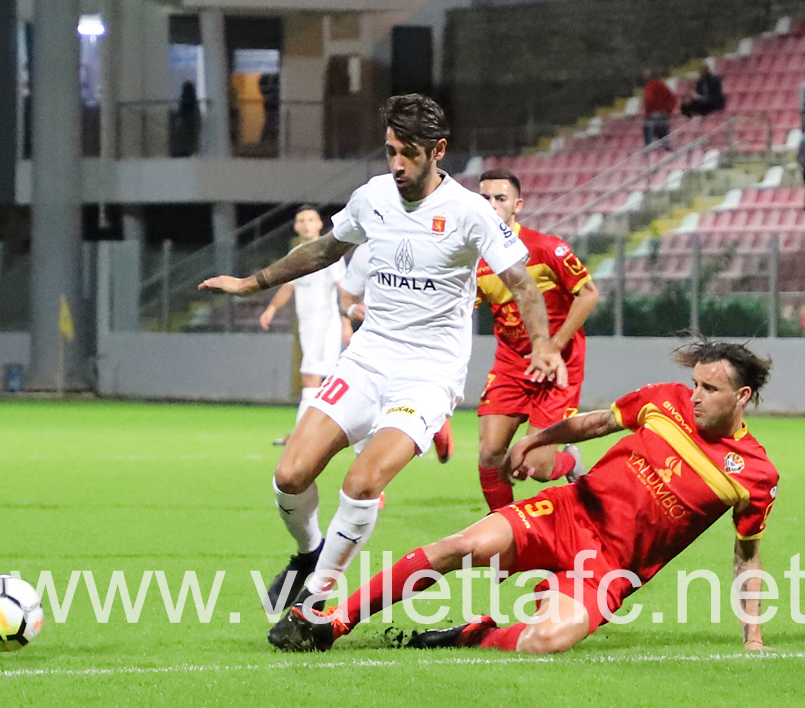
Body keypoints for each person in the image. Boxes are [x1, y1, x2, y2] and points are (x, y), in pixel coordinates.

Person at [199, 95, 567, 636]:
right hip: (369, 356)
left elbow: (522, 282)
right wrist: (253, 282)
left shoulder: (470, 212)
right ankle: (311, 551)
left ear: (437, 151)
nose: (397, 164)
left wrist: (543, 345)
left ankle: (316, 602)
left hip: (428, 372)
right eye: (390, 151)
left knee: (362, 480)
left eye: (409, 154)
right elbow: (326, 249)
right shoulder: (373, 196)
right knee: (290, 475)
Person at [270, 339, 778, 656]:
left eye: (709, 389)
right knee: (460, 545)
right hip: (568, 513)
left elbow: (746, 555)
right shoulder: (663, 400)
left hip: (611, 568)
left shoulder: (754, 474)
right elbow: (597, 422)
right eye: (695, 383)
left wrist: (752, 634)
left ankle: (473, 635)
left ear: (742, 398)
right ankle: (332, 621)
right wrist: (540, 438)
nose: (694, 395)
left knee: (547, 640)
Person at [474, 168, 599, 512]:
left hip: (559, 362)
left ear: (517, 204)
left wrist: (554, 345)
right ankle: (501, 536)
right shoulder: (473, 259)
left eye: (500, 198)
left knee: (540, 469)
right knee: (490, 453)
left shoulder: (546, 248)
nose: (492, 205)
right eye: (484, 198)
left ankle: (569, 463)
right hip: (512, 363)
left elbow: (588, 293)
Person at [338, 242, 454, 464]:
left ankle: (434, 420)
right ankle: (372, 495)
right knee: (365, 429)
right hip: (376, 350)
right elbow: (346, 298)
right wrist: (352, 310)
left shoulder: (436, 245)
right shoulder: (368, 249)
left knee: (403, 418)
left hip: (422, 352)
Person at [259, 206, 352, 442]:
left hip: (325, 324)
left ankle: (301, 436)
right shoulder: (298, 254)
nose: (307, 224)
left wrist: (345, 321)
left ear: (320, 224)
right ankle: (334, 431)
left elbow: (343, 289)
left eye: (311, 219)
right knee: (326, 380)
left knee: (311, 378)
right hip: (308, 326)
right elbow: (289, 285)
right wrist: (272, 308)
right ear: (296, 226)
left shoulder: (327, 254)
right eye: (302, 220)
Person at [642, 70, 677, 148]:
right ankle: (667, 150)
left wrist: (648, 111)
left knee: (649, 133)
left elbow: (650, 99)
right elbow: (673, 98)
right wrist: (668, 110)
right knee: (664, 135)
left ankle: (649, 151)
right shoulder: (662, 85)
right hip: (664, 114)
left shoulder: (650, 86)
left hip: (654, 114)